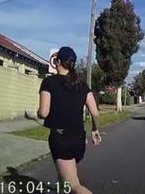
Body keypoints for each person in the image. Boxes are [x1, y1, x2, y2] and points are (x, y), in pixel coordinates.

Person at [37, 47, 102, 194]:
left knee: (73, 186)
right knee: (64, 181)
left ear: (57, 62)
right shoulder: (83, 86)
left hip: (61, 139)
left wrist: (36, 114)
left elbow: (44, 112)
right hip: (79, 140)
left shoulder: (49, 82)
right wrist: (95, 130)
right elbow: (95, 113)